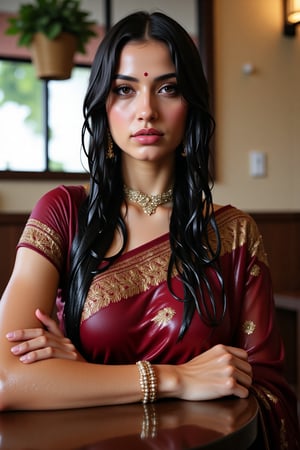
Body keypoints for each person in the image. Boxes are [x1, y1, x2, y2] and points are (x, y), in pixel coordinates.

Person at [0, 10, 299, 449]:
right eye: (125, 90)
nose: (146, 111)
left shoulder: (234, 234)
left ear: (191, 104)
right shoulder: (64, 213)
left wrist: (78, 372)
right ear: (104, 104)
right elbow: (6, 377)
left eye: (168, 88)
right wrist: (175, 379)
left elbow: (266, 390)